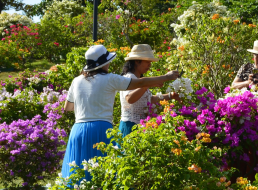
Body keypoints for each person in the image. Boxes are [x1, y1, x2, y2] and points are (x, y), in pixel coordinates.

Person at [60, 44, 180, 181]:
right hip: (101, 128)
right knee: (103, 175)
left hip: (78, 130)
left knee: (77, 175)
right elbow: (140, 83)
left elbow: (68, 107)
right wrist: (166, 77)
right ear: (104, 63)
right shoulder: (110, 78)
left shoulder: (76, 81)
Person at [119, 44, 178, 137]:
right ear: (137, 61)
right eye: (147, 62)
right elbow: (129, 99)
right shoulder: (129, 77)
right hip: (130, 126)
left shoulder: (138, 79)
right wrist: (146, 85)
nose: (149, 65)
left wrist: (170, 95)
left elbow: (149, 100)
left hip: (140, 126)